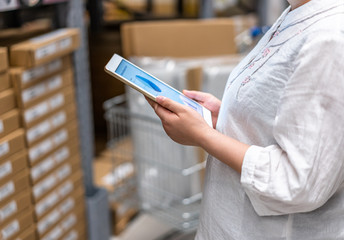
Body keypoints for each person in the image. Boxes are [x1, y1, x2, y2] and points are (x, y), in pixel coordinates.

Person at [146, 0, 344, 239]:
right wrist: (225, 117)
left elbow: (299, 183)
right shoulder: (296, 13)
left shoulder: (330, 38)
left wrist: (203, 136)